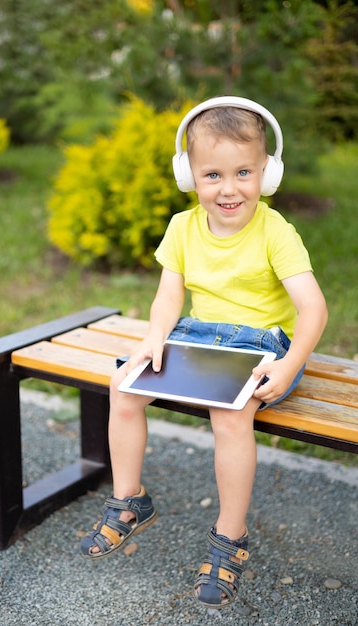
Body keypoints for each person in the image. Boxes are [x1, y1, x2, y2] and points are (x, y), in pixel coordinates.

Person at [80, 96, 328, 610]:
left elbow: (314, 309)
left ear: (268, 172)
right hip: (198, 336)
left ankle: (229, 537)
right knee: (123, 384)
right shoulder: (182, 226)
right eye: (212, 175)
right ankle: (130, 502)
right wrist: (154, 337)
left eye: (244, 172)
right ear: (188, 176)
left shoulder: (275, 231)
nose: (229, 188)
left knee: (229, 412)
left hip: (263, 345)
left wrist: (287, 364)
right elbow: (171, 294)